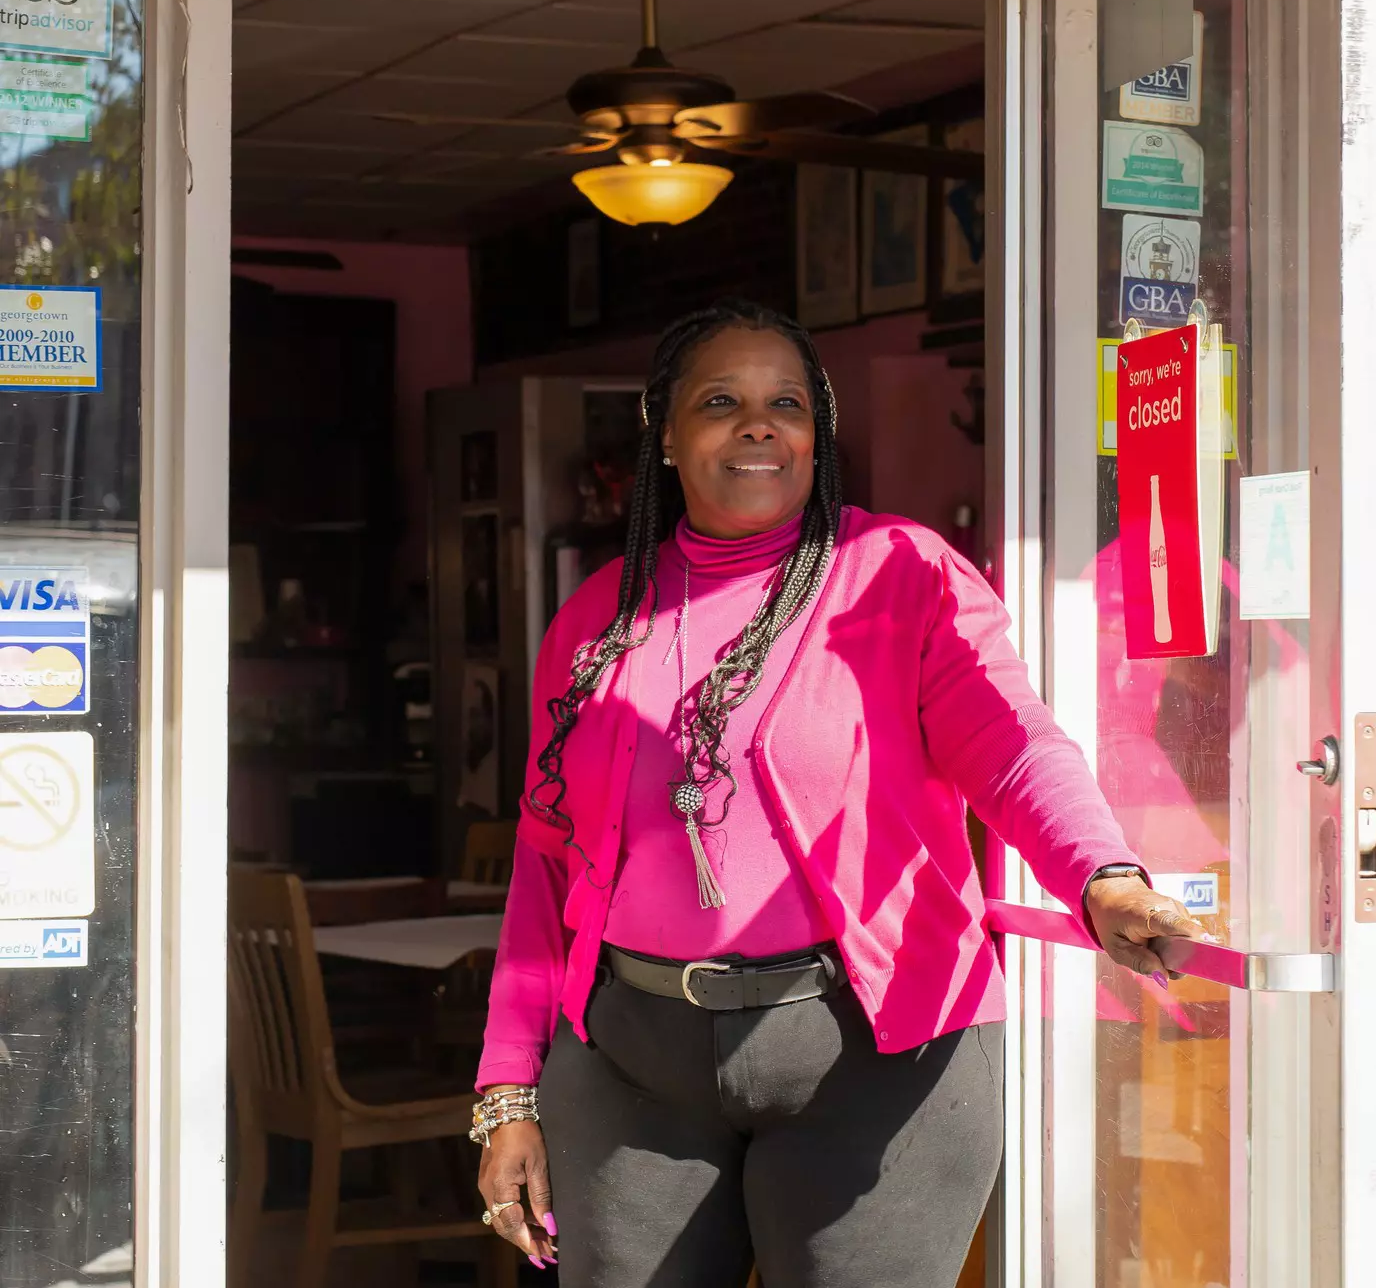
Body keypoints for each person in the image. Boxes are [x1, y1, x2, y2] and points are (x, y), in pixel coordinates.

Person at [471, 298, 1203, 1287]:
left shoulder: (897, 572)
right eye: (721, 400)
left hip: (876, 1054)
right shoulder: (599, 613)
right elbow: (543, 857)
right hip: (632, 1061)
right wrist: (508, 1089)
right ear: (668, 435)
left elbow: (1011, 740)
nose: (758, 423)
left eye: (788, 403)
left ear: (817, 437)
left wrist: (1102, 874)